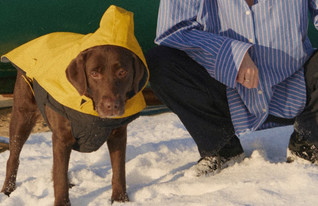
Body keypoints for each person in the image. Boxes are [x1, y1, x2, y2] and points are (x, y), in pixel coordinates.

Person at [146, 0, 318, 176]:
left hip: (294, 85)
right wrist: (232, 54)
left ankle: (308, 144)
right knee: (160, 62)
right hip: (224, 91)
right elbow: (172, 33)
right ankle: (223, 148)